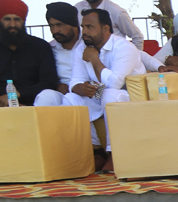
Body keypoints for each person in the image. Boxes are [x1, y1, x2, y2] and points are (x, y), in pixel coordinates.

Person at [61, 8, 145, 163]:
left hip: (131, 95)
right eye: (83, 27)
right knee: (70, 99)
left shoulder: (124, 47)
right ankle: (96, 149)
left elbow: (115, 83)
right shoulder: (82, 48)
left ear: (105, 29)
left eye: (90, 27)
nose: (84, 32)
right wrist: (82, 88)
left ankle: (114, 153)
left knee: (109, 94)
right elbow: (75, 80)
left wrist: (94, 58)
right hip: (100, 92)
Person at [0, 0, 61, 107]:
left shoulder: (40, 47)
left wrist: (17, 95)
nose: (12, 24)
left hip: (33, 105)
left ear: (23, 21)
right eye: (7, 19)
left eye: (17, 19)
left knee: (49, 95)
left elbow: (48, 82)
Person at [75, 0, 144, 50]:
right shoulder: (77, 8)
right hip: (86, 55)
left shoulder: (116, 12)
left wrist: (134, 56)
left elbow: (137, 37)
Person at [45, 2, 84, 95]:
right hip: (62, 94)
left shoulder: (90, 42)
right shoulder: (50, 48)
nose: (55, 30)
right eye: (51, 26)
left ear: (73, 24)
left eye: (59, 25)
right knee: (46, 96)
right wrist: (56, 85)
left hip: (89, 92)